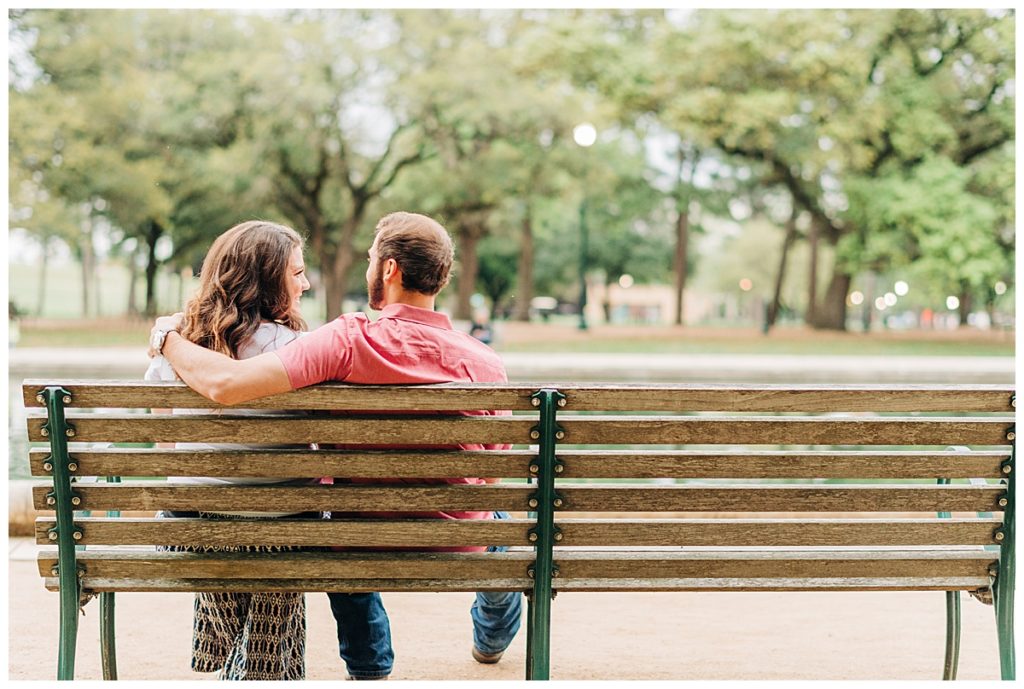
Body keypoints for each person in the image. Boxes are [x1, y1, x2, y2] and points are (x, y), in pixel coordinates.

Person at [149, 211, 522, 680]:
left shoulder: (345, 340)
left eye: (370, 258)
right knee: (501, 518)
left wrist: (168, 337)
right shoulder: (484, 361)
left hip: (358, 533)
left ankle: (369, 668)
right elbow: (490, 479)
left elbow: (229, 384)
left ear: (388, 269)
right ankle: (490, 639)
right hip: (457, 539)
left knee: (341, 518)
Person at [146, 220, 313, 680]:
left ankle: (228, 658)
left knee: (221, 518)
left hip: (192, 527)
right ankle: (251, 672)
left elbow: (166, 447)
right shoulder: (300, 349)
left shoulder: (175, 347)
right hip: (282, 531)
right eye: (296, 273)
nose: (306, 283)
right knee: (275, 530)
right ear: (264, 280)